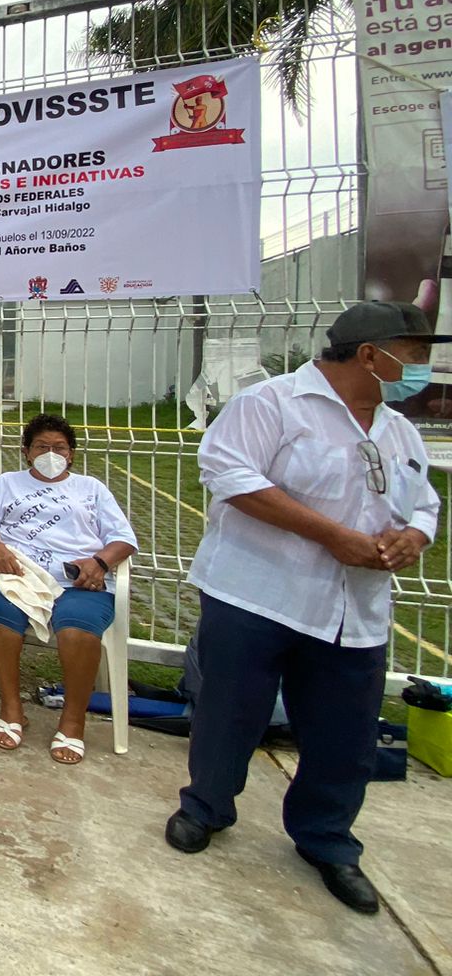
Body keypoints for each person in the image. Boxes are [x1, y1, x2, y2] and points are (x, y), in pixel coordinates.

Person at [165, 302, 441, 916]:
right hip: (257, 592)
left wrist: (414, 536)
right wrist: (330, 535)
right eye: (415, 355)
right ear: (369, 354)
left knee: (346, 733)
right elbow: (229, 473)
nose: (422, 367)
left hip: (353, 608)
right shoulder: (273, 404)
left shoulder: (398, 430)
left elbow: (423, 502)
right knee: (229, 714)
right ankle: (206, 807)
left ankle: (327, 839)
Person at [0, 413, 137, 764]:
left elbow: (124, 539)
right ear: (26, 452)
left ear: (71, 454)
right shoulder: (7, 484)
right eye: (41, 446)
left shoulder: (91, 489)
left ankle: (73, 721)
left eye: (58, 447)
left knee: (77, 631)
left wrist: (100, 563)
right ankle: (12, 709)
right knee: (0, 613)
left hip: (78, 579)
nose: (50, 454)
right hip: (20, 573)